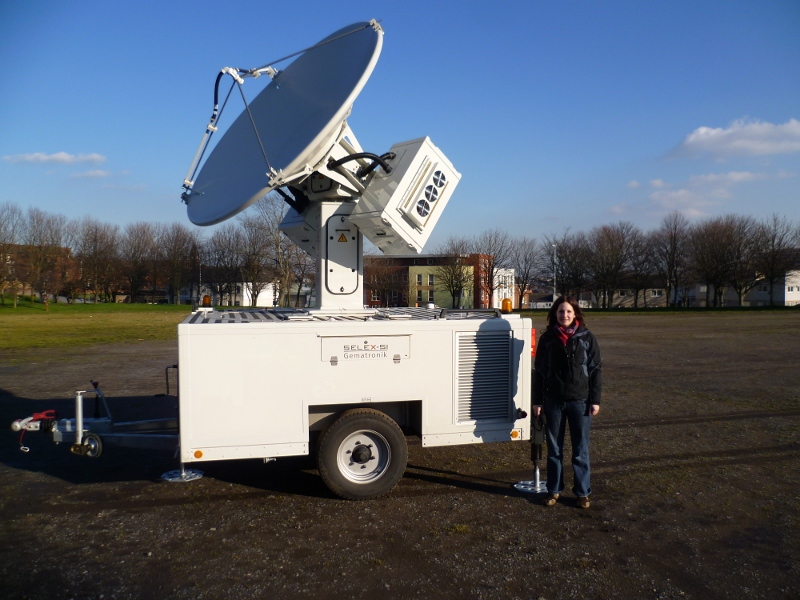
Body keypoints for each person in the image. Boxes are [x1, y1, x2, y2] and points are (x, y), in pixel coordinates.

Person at [532, 296, 601, 508]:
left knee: (580, 450)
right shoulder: (548, 339)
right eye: (561, 312)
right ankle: (554, 490)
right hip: (553, 402)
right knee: (554, 449)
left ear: (575, 314)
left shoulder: (587, 338)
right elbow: (540, 372)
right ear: (555, 314)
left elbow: (595, 369)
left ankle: (582, 492)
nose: (565, 315)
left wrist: (595, 400)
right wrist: (537, 401)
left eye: (569, 312)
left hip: (580, 401)